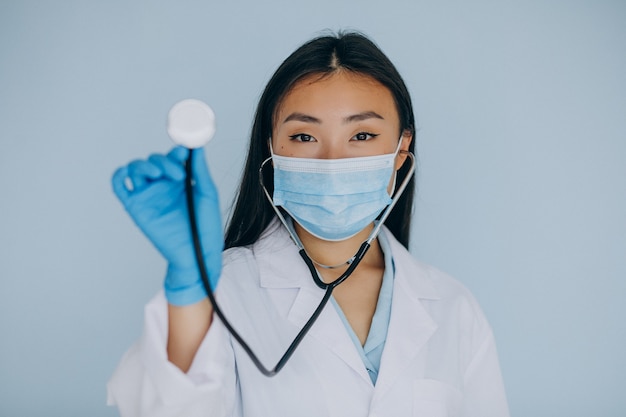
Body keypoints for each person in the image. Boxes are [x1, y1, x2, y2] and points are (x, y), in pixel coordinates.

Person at [107, 31, 510, 417]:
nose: (333, 162)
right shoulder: (222, 293)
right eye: (303, 137)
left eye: (363, 135)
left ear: (401, 150)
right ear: (272, 148)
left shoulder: (452, 307)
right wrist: (190, 288)